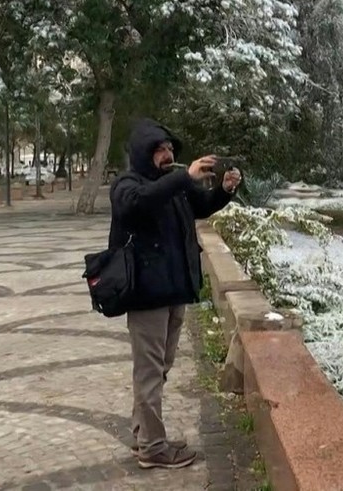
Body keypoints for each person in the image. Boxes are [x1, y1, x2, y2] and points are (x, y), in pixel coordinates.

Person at [109, 118, 242, 469]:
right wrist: (182, 177)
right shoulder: (128, 186)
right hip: (147, 295)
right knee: (149, 371)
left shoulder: (173, 186)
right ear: (142, 153)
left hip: (173, 290)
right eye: (160, 150)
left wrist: (224, 191)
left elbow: (200, 206)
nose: (168, 155)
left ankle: (145, 435)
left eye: (170, 149)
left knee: (160, 367)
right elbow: (140, 203)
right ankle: (153, 447)